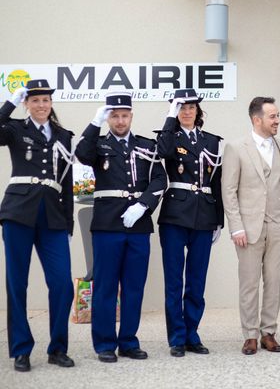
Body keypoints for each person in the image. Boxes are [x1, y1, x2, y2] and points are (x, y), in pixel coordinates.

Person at [75, 91, 167, 363]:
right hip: (106, 225)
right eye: (114, 116)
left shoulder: (147, 146)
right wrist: (94, 123)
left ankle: (128, 341)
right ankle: (104, 344)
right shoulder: (98, 145)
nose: (120, 120)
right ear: (108, 118)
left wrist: (143, 205)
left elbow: (160, 179)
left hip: (137, 226)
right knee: (105, 286)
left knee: (134, 286)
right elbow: (81, 154)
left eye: (124, 115)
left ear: (131, 116)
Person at [0, 80, 75, 372]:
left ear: (51, 103)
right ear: (27, 103)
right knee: (17, 283)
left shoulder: (63, 135)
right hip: (18, 213)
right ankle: (21, 349)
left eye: (45, 100)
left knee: (62, 284)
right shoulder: (15, 129)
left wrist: (68, 224)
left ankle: (58, 349)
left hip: (53, 217)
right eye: (35, 101)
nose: (41, 105)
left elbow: (66, 182)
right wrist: (9, 102)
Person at [221, 97, 280, 355]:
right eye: (273, 116)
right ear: (257, 119)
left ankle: (269, 332)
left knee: (275, 281)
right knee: (249, 282)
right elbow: (228, 191)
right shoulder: (236, 147)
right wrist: (235, 227)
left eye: (277, 116)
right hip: (248, 226)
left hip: (279, 222)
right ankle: (249, 334)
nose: (277, 121)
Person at [156, 89, 224, 357]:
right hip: (175, 215)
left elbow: (216, 182)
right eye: (180, 107)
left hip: (204, 215)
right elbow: (162, 151)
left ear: (198, 110)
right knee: (174, 280)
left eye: (190, 107)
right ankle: (176, 337)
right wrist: (169, 117)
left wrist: (218, 219)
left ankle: (192, 334)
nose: (186, 111)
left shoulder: (212, 141)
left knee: (196, 280)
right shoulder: (169, 137)